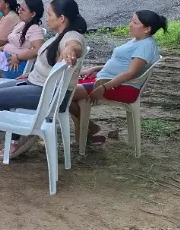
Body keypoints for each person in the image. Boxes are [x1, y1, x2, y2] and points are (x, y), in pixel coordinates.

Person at [0, 0, 87, 158]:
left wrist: (71, 50)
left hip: (48, 95)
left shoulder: (71, 36)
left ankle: (21, 135)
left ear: (61, 18)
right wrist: (31, 74)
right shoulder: (59, 35)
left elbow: (75, 44)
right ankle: (23, 131)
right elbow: (48, 64)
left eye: (50, 14)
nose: (47, 18)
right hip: (36, 83)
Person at [69, 10, 166, 147]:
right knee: (65, 92)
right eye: (131, 20)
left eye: (135, 22)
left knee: (65, 93)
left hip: (119, 87)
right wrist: (97, 69)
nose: (130, 24)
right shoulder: (138, 40)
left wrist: (102, 88)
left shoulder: (146, 46)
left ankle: (87, 131)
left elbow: (130, 73)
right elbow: (122, 64)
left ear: (147, 29)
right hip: (106, 80)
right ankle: (88, 130)